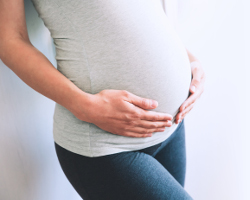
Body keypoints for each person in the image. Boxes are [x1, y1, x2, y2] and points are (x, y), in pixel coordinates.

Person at [0, 0, 205, 199]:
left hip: (173, 125)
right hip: (105, 143)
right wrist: (84, 106)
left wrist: (187, 60)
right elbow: (9, 40)